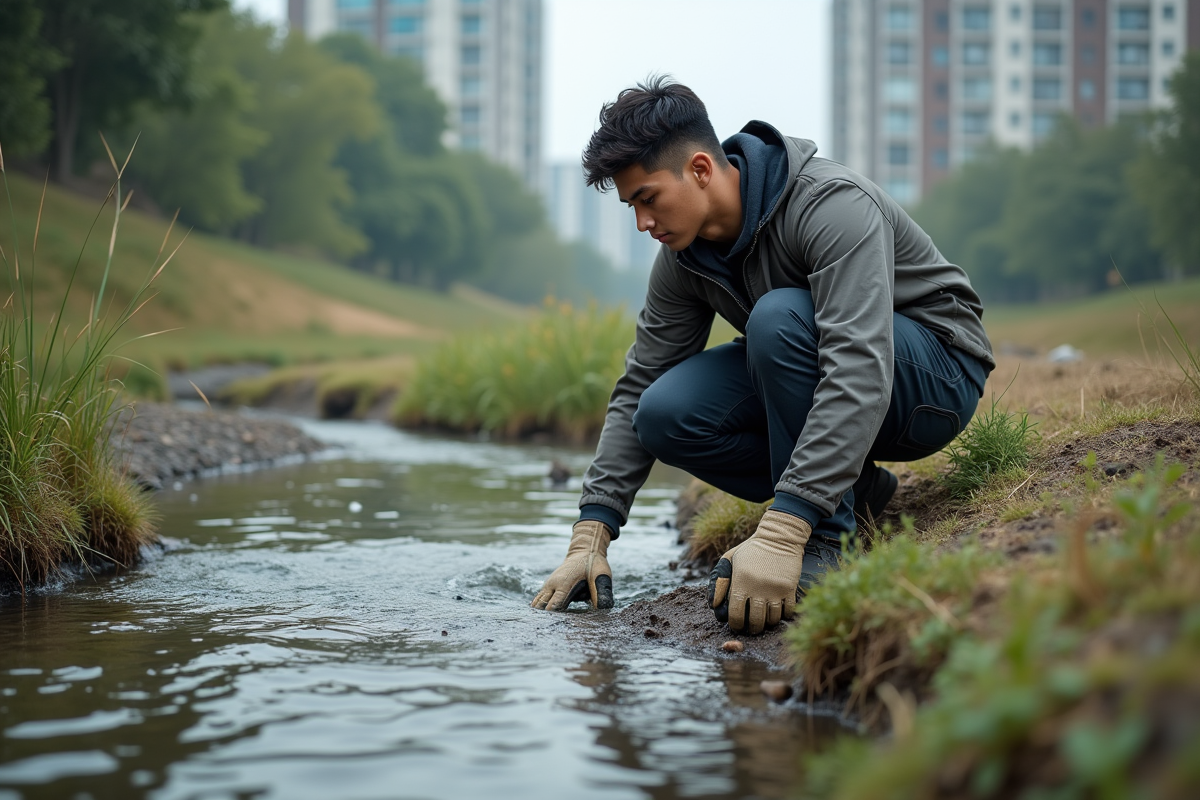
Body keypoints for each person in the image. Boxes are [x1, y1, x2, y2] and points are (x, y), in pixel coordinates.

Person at [530, 77, 994, 634]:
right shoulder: (682, 258)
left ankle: (826, 539)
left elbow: (858, 365)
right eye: (632, 206)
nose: (642, 223)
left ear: (701, 169)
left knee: (777, 319)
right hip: (833, 365)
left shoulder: (831, 205)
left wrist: (783, 532)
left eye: (648, 199)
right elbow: (639, 383)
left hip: (934, 378)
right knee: (661, 412)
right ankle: (857, 492)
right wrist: (591, 534)